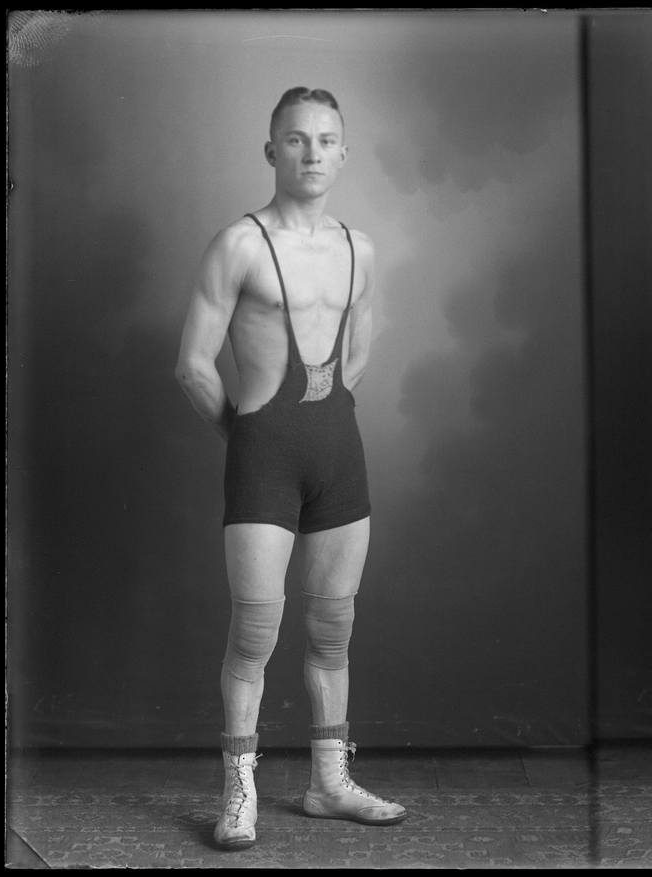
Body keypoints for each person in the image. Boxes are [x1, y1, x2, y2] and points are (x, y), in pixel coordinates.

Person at [176, 87, 406, 851]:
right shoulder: (237, 244)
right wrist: (250, 440)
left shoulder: (359, 248)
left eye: (326, 140)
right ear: (271, 150)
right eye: (297, 139)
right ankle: (238, 793)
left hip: (340, 457)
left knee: (334, 629)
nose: (312, 153)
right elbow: (192, 365)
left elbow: (358, 353)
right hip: (263, 462)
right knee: (255, 633)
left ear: (344, 152)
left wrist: (311, 425)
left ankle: (327, 784)